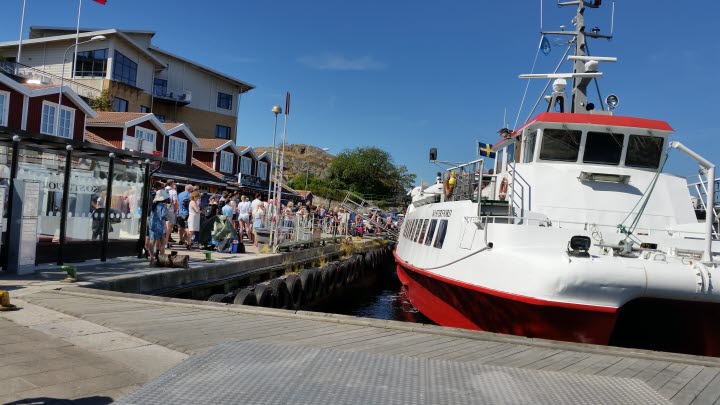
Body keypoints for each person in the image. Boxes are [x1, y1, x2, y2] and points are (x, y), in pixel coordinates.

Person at [149, 182, 169, 262]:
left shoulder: (154, 204)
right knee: (163, 241)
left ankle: (151, 257)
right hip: (160, 225)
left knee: (152, 240)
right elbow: (163, 216)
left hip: (152, 223)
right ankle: (162, 257)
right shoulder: (163, 205)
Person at [165, 179, 179, 247]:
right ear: (172, 184)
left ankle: (162, 241)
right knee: (170, 226)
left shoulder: (163, 189)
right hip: (170, 210)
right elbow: (175, 202)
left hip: (162, 209)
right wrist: (175, 210)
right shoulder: (173, 191)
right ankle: (166, 241)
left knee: (164, 225)